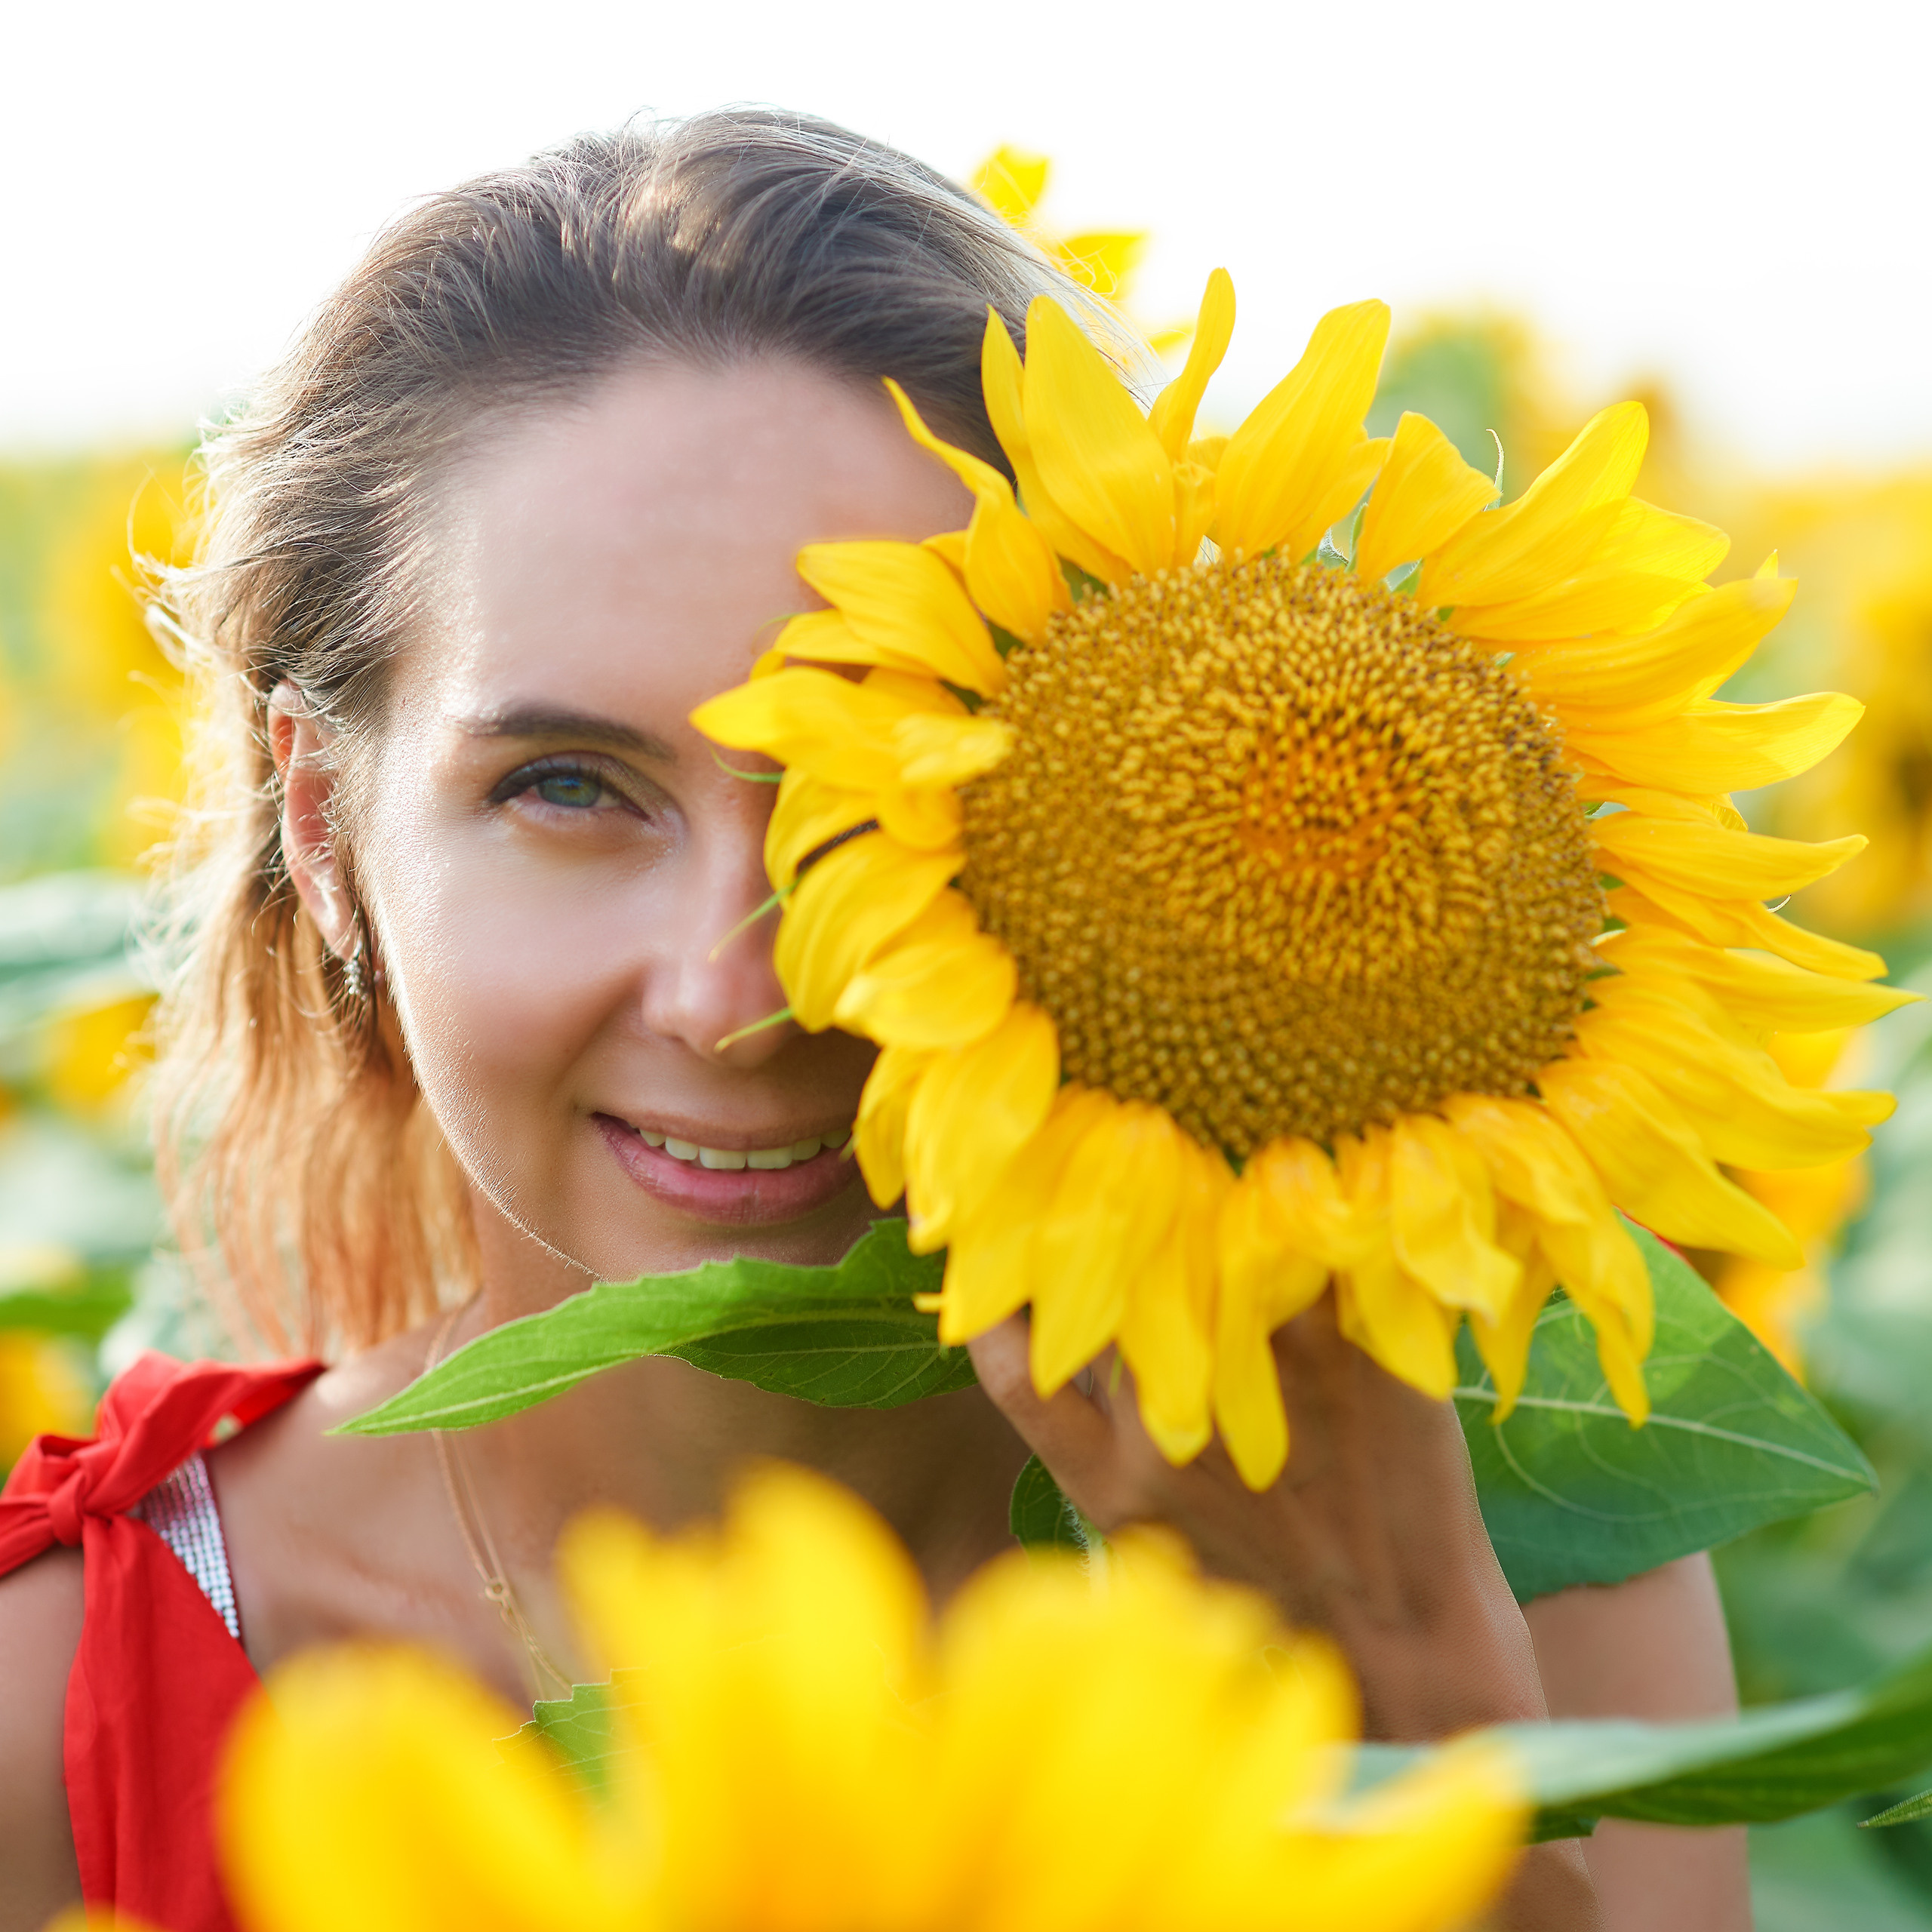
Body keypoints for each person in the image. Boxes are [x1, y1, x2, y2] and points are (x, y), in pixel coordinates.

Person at [0, 110, 1749, 1932]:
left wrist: (1392, 1654)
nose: (734, 990)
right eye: (568, 785)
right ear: (323, 828)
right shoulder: (64, 1707)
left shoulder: (1520, 1563)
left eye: (876, 794)